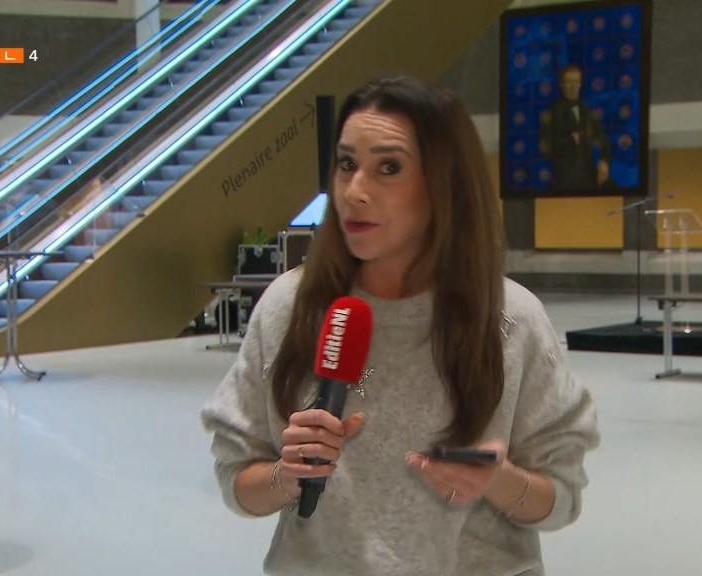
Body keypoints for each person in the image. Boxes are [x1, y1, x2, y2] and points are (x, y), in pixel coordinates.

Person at [201, 75, 599, 576]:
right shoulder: (290, 307)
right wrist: (289, 473)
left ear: (444, 186)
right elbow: (236, 480)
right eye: (347, 164)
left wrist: (498, 481)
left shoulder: (510, 318)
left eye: (389, 168)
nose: (355, 192)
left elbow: (561, 496)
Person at [542, 64, 612, 191]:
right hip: (564, 181)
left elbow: (603, 141)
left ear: (580, 84)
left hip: (589, 177)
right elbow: (545, 151)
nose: (573, 86)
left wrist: (604, 161)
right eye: (569, 82)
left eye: (576, 82)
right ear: (562, 84)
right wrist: (571, 141)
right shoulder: (551, 114)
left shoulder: (588, 112)